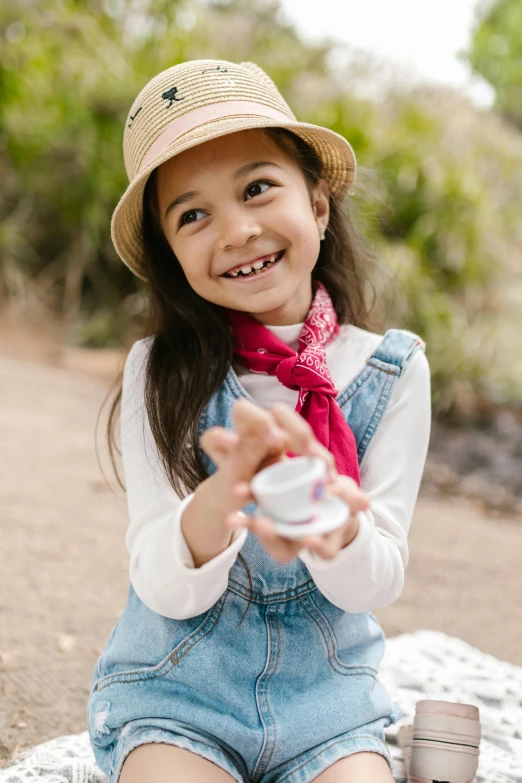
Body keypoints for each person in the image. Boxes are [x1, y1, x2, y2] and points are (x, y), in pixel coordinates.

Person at [88, 59, 431, 783]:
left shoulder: (393, 371)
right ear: (172, 256)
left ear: (318, 204)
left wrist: (325, 516)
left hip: (329, 705)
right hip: (179, 692)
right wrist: (222, 497)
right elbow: (158, 578)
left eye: (257, 188)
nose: (238, 230)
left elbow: (376, 582)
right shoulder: (159, 369)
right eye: (193, 214)